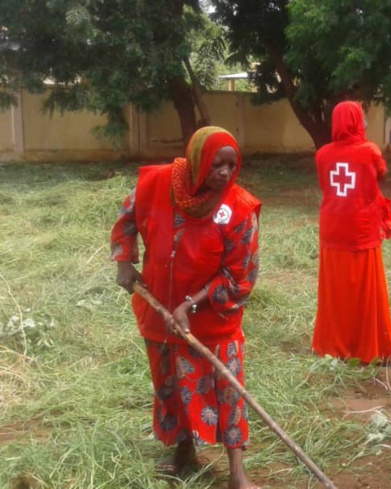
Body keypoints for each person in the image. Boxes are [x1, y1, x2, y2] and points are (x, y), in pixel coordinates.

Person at [111, 126, 261, 489]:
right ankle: (183, 451)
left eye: (231, 165)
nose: (224, 173)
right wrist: (124, 262)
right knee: (170, 386)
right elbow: (127, 218)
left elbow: (241, 275)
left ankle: (237, 473)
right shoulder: (157, 183)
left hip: (211, 321)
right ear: (197, 160)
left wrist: (191, 305)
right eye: (216, 164)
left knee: (227, 389)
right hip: (159, 309)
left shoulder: (239, 209)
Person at [312, 101, 391, 367]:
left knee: (335, 291)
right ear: (355, 121)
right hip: (360, 229)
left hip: (333, 228)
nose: (366, 122)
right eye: (362, 117)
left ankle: (334, 345)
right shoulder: (369, 150)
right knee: (367, 291)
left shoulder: (322, 154)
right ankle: (375, 346)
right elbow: (380, 174)